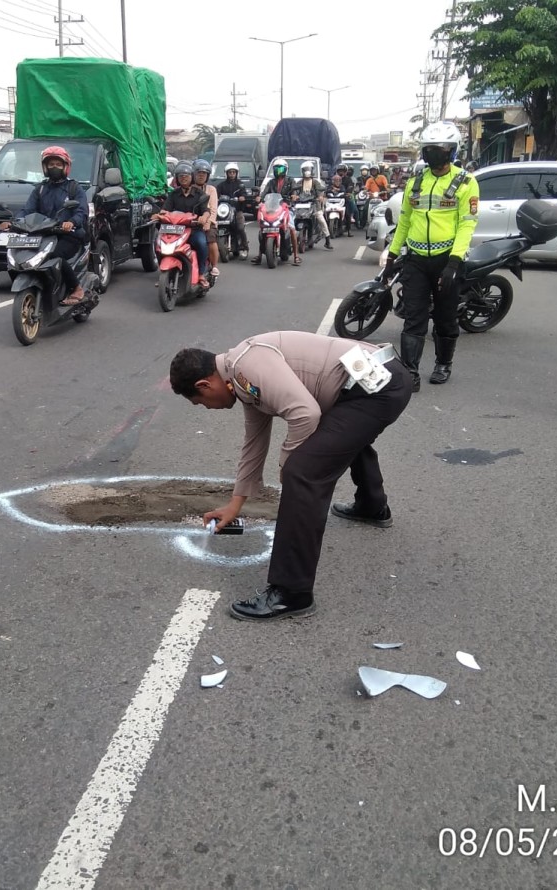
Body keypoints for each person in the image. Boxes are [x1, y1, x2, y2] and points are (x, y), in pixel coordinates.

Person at [169, 331, 412, 621]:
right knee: (338, 438)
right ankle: (372, 506)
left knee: (303, 473)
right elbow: (254, 443)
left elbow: (305, 414)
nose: (207, 408)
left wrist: (288, 467)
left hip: (376, 385)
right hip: (370, 381)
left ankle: (292, 593)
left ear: (204, 384)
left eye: (200, 402)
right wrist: (234, 506)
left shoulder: (247, 366)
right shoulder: (240, 376)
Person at [381, 120, 479, 390]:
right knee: (414, 318)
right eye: (429, 149)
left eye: (440, 149)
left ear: (452, 151)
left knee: (446, 317)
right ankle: (410, 371)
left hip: (447, 260)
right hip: (416, 260)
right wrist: (391, 255)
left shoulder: (466, 183)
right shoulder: (415, 183)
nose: (434, 153)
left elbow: (466, 224)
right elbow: (404, 222)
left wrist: (454, 263)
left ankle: (443, 364)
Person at [4, 146, 89, 306]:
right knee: (21, 255)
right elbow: (27, 210)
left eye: (58, 164)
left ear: (65, 166)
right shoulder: (40, 189)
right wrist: (14, 222)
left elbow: (82, 211)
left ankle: (76, 288)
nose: (54, 167)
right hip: (42, 235)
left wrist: (71, 222)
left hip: (68, 235)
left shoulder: (74, 188)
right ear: (45, 167)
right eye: (51, 164)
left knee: (55, 256)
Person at [154, 162, 211, 287]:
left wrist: (204, 217)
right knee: (158, 245)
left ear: (192, 177)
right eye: (181, 176)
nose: (184, 178)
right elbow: (165, 210)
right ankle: (163, 272)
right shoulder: (173, 194)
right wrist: (158, 215)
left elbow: (206, 210)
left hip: (193, 229)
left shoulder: (199, 194)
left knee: (202, 244)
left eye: (186, 176)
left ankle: (201, 273)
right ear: (177, 179)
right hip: (174, 230)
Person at [252, 158, 299, 266]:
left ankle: (296, 256)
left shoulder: (290, 181)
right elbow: (264, 194)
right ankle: (260, 255)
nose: (278, 171)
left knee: (291, 228)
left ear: (285, 170)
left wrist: (294, 195)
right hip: (272, 208)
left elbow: (295, 190)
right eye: (276, 169)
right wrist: (260, 198)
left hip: (286, 207)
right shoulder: (271, 182)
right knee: (263, 228)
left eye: (281, 169)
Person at [290, 160, 332, 250]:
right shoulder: (299, 182)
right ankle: (289, 239)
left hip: (314, 205)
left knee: (321, 220)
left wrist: (320, 196)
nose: (307, 172)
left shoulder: (315, 182)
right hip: (301, 205)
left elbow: (320, 191)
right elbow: (295, 190)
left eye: (308, 169)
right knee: (291, 219)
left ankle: (327, 240)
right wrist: (294, 195)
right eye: (305, 170)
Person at [192, 159, 220, 277]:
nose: (201, 176)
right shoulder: (189, 188)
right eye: (199, 173)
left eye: (204, 173)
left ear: (208, 176)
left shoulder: (211, 190)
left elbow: (213, 209)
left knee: (210, 240)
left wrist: (208, 222)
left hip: (208, 222)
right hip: (190, 222)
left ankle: (213, 266)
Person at [215, 162, 249, 258]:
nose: (232, 174)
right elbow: (216, 195)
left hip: (236, 210)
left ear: (237, 173)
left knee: (240, 228)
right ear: (226, 173)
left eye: (234, 172)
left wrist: (242, 197)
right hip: (224, 210)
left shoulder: (240, 185)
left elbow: (244, 194)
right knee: (216, 226)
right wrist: (215, 198)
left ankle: (244, 247)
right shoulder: (221, 185)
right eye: (230, 172)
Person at [335, 163, 356, 235]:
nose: (341, 173)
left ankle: (349, 230)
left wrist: (348, 193)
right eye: (339, 171)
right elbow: (329, 186)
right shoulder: (334, 179)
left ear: (346, 172)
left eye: (342, 171)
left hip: (344, 199)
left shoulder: (348, 179)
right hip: (334, 198)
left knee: (348, 212)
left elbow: (350, 186)